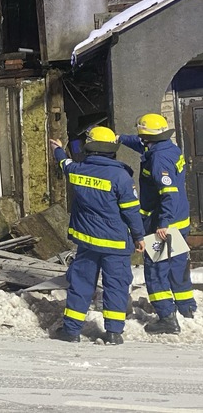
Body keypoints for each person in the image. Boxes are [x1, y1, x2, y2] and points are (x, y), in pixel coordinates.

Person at [49, 126, 146, 345]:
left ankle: (71, 331)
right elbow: (131, 211)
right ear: (112, 149)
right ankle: (113, 332)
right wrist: (139, 236)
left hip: (88, 242)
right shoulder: (121, 176)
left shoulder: (78, 170)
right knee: (116, 286)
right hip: (116, 244)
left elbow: (65, 164)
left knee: (81, 284)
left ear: (90, 148)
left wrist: (57, 150)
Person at [118, 113, 197, 334]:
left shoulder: (158, 159)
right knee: (178, 265)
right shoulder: (168, 148)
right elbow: (140, 144)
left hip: (164, 224)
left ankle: (167, 318)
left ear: (146, 135)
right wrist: (120, 138)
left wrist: (162, 223)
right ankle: (187, 307)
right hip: (179, 221)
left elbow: (168, 194)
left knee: (156, 270)